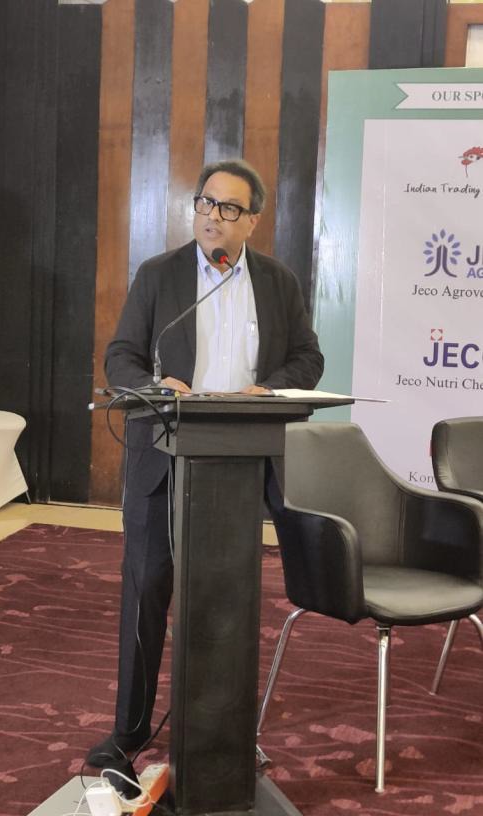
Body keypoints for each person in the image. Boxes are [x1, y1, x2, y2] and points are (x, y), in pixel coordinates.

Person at [86, 159, 324, 766]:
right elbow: (121, 356)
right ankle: (130, 731)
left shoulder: (277, 282)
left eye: (229, 208)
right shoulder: (159, 275)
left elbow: (307, 358)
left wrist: (267, 390)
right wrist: (155, 386)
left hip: (241, 466)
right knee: (146, 592)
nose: (213, 217)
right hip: (163, 459)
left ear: (253, 220)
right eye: (205, 203)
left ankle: (223, 735)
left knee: (227, 602)